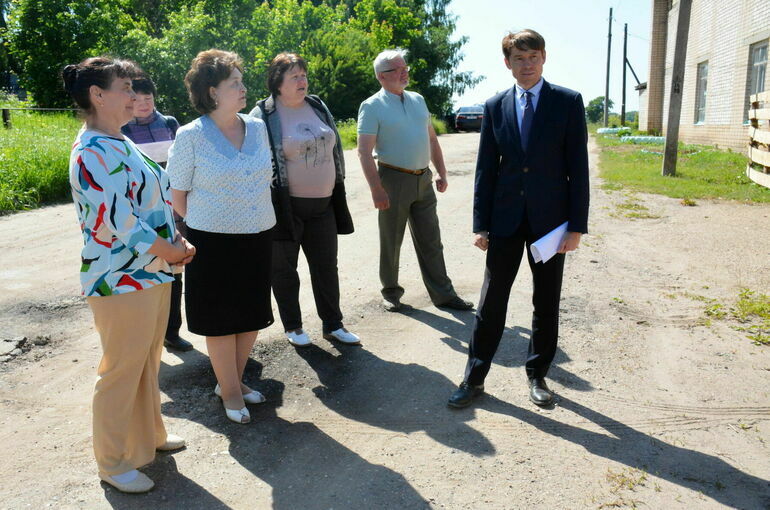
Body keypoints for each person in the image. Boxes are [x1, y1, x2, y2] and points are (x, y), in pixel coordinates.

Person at [63, 56, 196, 493]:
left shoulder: (120, 140)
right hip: (117, 278)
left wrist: (176, 240)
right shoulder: (91, 150)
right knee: (121, 370)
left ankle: (150, 437)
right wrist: (170, 251)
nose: (134, 96)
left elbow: (152, 201)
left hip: (151, 272)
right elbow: (120, 220)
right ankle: (114, 461)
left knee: (146, 363)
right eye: (124, 88)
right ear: (98, 95)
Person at [448, 29, 590, 409]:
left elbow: (579, 167)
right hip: (506, 220)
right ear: (507, 62)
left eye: (532, 58)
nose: (526, 66)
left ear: (543, 58)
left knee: (546, 302)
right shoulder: (495, 106)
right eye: (518, 58)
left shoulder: (568, 102)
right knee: (491, 302)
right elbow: (485, 171)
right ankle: (473, 377)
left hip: (551, 224)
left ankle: (538, 375)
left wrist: (576, 226)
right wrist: (481, 224)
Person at [167, 49, 276, 425]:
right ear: (213, 91)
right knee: (220, 320)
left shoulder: (258, 127)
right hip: (212, 242)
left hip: (259, 234)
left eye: (242, 81)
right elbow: (177, 194)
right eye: (235, 83)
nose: (244, 88)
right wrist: (205, 219)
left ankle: (232, 382)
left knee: (251, 316)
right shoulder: (190, 135)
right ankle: (230, 391)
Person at [250, 53, 359, 347]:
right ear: (277, 82)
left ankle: (333, 324)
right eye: (295, 76)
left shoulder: (316, 105)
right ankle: (294, 327)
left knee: (326, 267)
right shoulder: (263, 114)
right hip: (284, 207)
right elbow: (254, 160)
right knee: (284, 271)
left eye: (304, 75)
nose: (302, 81)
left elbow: (335, 147)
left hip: (324, 205)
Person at [357, 49, 473, 312]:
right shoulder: (372, 106)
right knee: (392, 240)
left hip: (423, 179)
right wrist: (376, 189)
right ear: (381, 76)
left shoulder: (418, 100)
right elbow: (364, 151)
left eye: (404, 67)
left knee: (431, 240)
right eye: (397, 69)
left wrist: (441, 172)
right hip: (393, 179)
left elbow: (431, 138)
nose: (404, 72)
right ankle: (391, 292)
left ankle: (444, 294)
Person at [121, 74, 192, 352]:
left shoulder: (170, 124)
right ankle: (143, 338)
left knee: (175, 271)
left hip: (172, 210)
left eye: (148, 97)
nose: (144, 102)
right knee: (143, 273)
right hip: (141, 213)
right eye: (137, 98)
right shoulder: (122, 130)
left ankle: (171, 332)